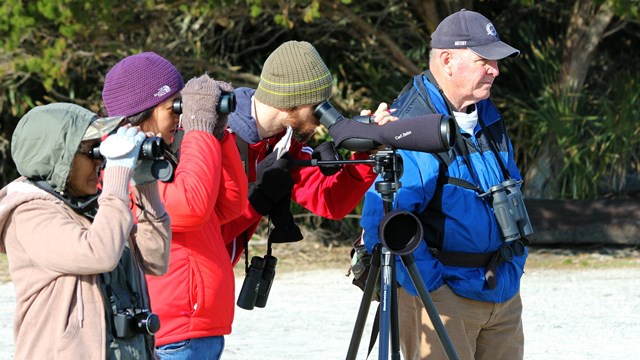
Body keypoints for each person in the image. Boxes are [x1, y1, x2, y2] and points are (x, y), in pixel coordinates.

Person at [360, 9, 526, 360]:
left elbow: (512, 190)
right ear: (447, 60)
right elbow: (384, 217)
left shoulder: (487, 115)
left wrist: (514, 264)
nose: (495, 70)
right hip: (442, 298)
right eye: (485, 60)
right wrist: (432, 286)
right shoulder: (413, 125)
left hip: (502, 292)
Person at [101, 52, 248, 359]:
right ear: (144, 112)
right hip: (172, 332)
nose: (181, 117)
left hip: (196, 327)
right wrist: (198, 130)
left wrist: (217, 135)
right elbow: (190, 208)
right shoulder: (121, 165)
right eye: (175, 108)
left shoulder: (162, 156)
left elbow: (229, 206)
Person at [0, 103, 171, 359]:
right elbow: (99, 253)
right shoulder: (28, 214)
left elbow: (154, 259)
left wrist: (144, 184)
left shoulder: (89, 207)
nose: (100, 161)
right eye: (90, 151)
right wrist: (117, 173)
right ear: (60, 156)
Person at [222, 40, 396, 265]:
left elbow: (330, 201)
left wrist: (366, 154)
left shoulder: (281, 143)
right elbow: (202, 233)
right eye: (318, 108)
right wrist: (259, 198)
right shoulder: (219, 137)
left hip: (216, 277)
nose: (321, 120)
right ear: (292, 99)